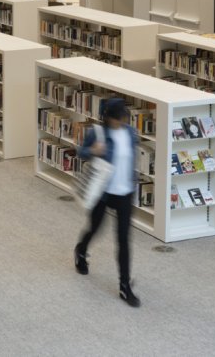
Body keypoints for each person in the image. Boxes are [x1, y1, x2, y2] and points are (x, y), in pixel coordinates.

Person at [74, 97, 140, 307]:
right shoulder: (98, 133)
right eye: (117, 118)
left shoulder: (130, 133)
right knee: (95, 227)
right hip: (103, 192)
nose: (120, 121)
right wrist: (93, 151)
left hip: (125, 193)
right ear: (108, 118)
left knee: (123, 240)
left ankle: (124, 286)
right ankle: (81, 250)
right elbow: (81, 152)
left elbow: (132, 159)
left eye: (123, 117)